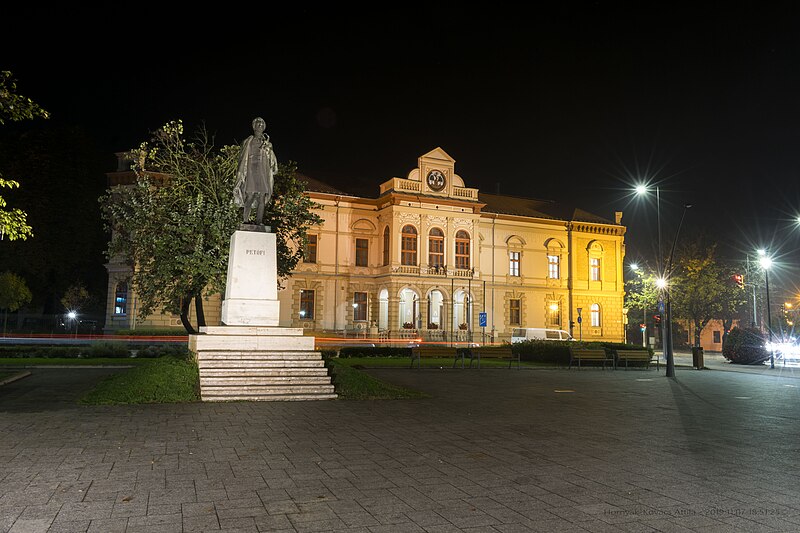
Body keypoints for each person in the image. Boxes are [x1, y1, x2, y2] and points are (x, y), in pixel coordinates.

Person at [233, 117, 278, 225]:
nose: (260, 125)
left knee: (262, 197)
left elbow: (272, 162)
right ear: (254, 126)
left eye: (262, 123)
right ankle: (245, 220)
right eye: (258, 123)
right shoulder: (248, 141)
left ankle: (259, 222)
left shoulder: (268, 143)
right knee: (250, 195)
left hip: (263, 171)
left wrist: (268, 149)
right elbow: (242, 158)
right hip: (251, 170)